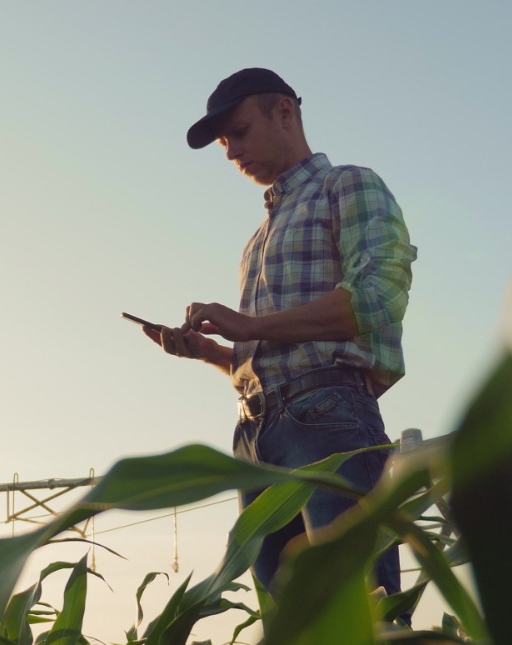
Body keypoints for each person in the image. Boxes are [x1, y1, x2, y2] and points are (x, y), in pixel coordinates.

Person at [144, 67, 416, 608]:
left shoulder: (348, 185)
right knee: (292, 624)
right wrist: (214, 354)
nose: (229, 153)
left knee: (362, 613)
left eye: (238, 133)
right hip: (256, 435)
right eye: (224, 142)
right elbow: (277, 357)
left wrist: (250, 326)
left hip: (328, 417)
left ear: (284, 112)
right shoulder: (257, 239)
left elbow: (378, 299)